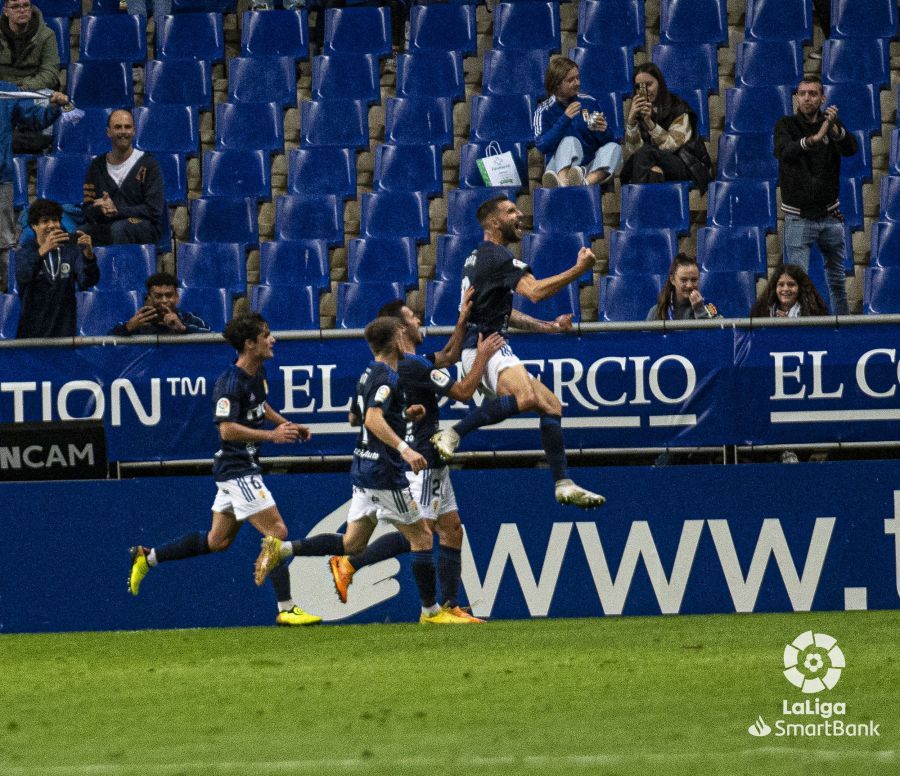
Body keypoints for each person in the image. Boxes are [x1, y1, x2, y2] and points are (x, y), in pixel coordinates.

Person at [254, 316, 477, 624]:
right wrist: (405, 448)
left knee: (352, 544)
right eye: (402, 334)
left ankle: (283, 549)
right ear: (397, 341)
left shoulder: (368, 374)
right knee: (423, 537)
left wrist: (403, 414)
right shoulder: (388, 376)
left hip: (362, 469)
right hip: (385, 474)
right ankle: (431, 612)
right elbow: (371, 419)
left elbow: (353, 418)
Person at [127, 313, 322, 627]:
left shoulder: (257, 374)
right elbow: (227, 430)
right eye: (267, 335)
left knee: (217, 541)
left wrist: (286, 423)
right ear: (249, 344)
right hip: (237, 468)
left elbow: (261, 405)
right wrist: (271, 435)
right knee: (277, 532)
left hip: (238, 468)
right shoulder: (229, 383)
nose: (273, 340)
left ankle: (147, 557)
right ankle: (286, 608)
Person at [329, 291, 505, 621]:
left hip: (432, 459)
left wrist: (463, 319)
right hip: (422, 458)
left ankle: (451, 606)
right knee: (421, 533)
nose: (418, 320)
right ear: (400, 329)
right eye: (412, 318)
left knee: (451, 528)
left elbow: (449, 355)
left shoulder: (409, 363)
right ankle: (355, 564)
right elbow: (464, 392)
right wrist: (482, 356)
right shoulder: (413, 366)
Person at [430, 195, 605, 509]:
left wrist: (548, 327)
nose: (520, 214)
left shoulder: (478, 257)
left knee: (550, 404)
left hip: (488, 343)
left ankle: (563, 483)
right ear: (494, 222)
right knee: (524, 398)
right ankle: (453, 433)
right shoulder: (498, 257)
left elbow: (506, 313)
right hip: (485, 346)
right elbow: (535, 292)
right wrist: (580, 269)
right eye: (511, 211)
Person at [774, 75, 856, 316]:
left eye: (812, 93)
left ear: (822, 98)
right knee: (795, 285)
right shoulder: (786, 125)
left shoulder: (832, 124)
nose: (807, 98)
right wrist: (815, 139)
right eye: (802, 93)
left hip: (830, 216)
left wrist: (835, 130)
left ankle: (842, 325)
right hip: (798, 218)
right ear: (796, 97)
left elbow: (851, 149)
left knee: (838, 281)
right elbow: (783, 151)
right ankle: (800, 329)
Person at [0, 84, 68, 291]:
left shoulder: (6, 92)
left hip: (0, 178)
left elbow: (35, 119)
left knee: (4, 243)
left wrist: (53, 107)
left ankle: (12, 296)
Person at [621, 63, 712, 192]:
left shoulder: (678, 107)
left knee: (646, 152)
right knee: (653, 173)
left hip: (684, 163)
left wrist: (650, 123)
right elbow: (634, 150)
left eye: (649, 85)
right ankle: (650, 210)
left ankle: (637, 204)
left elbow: (672, 145)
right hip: (650, 163)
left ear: (660, 83)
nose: (645, 91)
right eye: (639, 87)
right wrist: (631, 122)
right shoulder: (638, 111)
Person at [534, 56, 622, 188]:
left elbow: (606, 142)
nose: (577, 83)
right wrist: (565, 119)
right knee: (569, 141)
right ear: (556, 84)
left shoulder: (589, 102)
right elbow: (542, 145)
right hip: (557, 166)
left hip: (587, 169)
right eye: (570, 80)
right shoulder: (544, 110)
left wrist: (603, 131)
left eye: (577, 78)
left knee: (614, 147)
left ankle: (584, 183)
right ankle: (563, 181)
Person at [15, 197, 97, 338]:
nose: (52, 225)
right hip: (31, 335)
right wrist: (42, 251)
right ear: (34, 226)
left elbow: (87, 282)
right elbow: (24, 276)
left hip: (63, 332)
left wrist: (89, 257)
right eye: (45, 221)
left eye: (55, 220)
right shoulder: (25, 252)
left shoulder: (71, 251)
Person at [82, 109, 165, 247]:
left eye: (127, 127)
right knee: (80, 234)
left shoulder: (149, 164)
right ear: (108, 132)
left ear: (134, 131)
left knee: (120, 229)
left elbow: (153, 210)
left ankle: (120, 269)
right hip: (108, 226)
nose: (123, 132)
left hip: (144, 226)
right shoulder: (96, 166)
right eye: (117, 127)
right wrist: (100, 209)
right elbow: (87, 209)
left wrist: (117, 211)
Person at [0, 0, 60, 154]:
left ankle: (40, 151)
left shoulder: (47, 35)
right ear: (6, 11)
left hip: (33, 89)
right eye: (15, 7)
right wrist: (9, 89)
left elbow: (50, 72)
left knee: (48, 100)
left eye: (26, 6)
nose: (22, 10)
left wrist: (24, 87)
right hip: (3, 92)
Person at [108, 271, 212, 336]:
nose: (164, 300)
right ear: (149, 298)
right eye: (158, 296)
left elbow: (214, 338)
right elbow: (108, 339)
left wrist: (183, 328)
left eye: (169, 295)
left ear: (177, 298)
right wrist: (127, 328)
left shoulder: (189, 318)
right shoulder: (139, 322)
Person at [647, 253, 720, 321]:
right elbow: (645, 335)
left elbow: (721, 333)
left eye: (694, 280)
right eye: (684, 280)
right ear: (672, 280)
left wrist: (700, 311)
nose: (689, 285)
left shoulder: (708, 305)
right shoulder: (658, 311)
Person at [751, 262, 828, 318]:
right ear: (774, 288)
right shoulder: (761, 311)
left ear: (800, 288)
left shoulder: (814, 313)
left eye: (791, 285)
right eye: (781, 285)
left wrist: (789, 324)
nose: (785, 289)